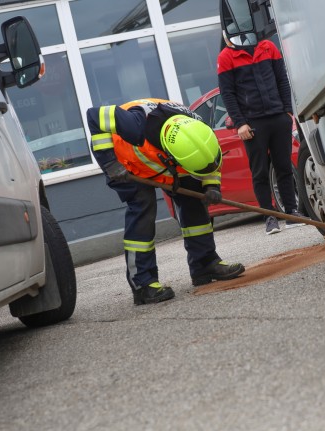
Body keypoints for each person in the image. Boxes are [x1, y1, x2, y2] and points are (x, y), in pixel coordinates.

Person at [86, 98, 245, 305]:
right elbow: (94, 115)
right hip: (124, 162)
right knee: (143, 207)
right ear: (171, 157)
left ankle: (204, 264)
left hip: (160, 162)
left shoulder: (199, 131)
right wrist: (110, 162)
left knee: (193, 200)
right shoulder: (135, 125)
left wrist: (211, 186)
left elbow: (210, 163)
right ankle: (143, 284)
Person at [217, 32, 304, 235]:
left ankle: (291, 213)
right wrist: (240, 123)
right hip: (252, 123)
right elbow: (227, 93)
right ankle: (269, 218)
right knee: (260, 172)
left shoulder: (268, 47)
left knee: (284, 167)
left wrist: (287, 112)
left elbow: (282, 79)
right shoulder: (226, 57)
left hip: (278, 117)